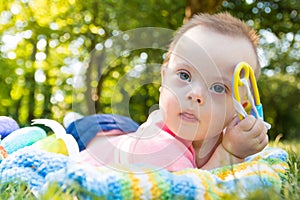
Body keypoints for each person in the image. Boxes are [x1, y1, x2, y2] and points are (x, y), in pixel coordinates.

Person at [76, 12, 269, 171]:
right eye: (185, 75)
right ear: (164, 77)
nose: (195, 94)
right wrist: (230, 154)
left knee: (131, 128)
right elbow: (193, 189)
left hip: (128, 129)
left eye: (219, 88)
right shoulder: (160, 147)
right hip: (94, 131)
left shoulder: (227, 136)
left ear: (241, 110)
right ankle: (71, 121)